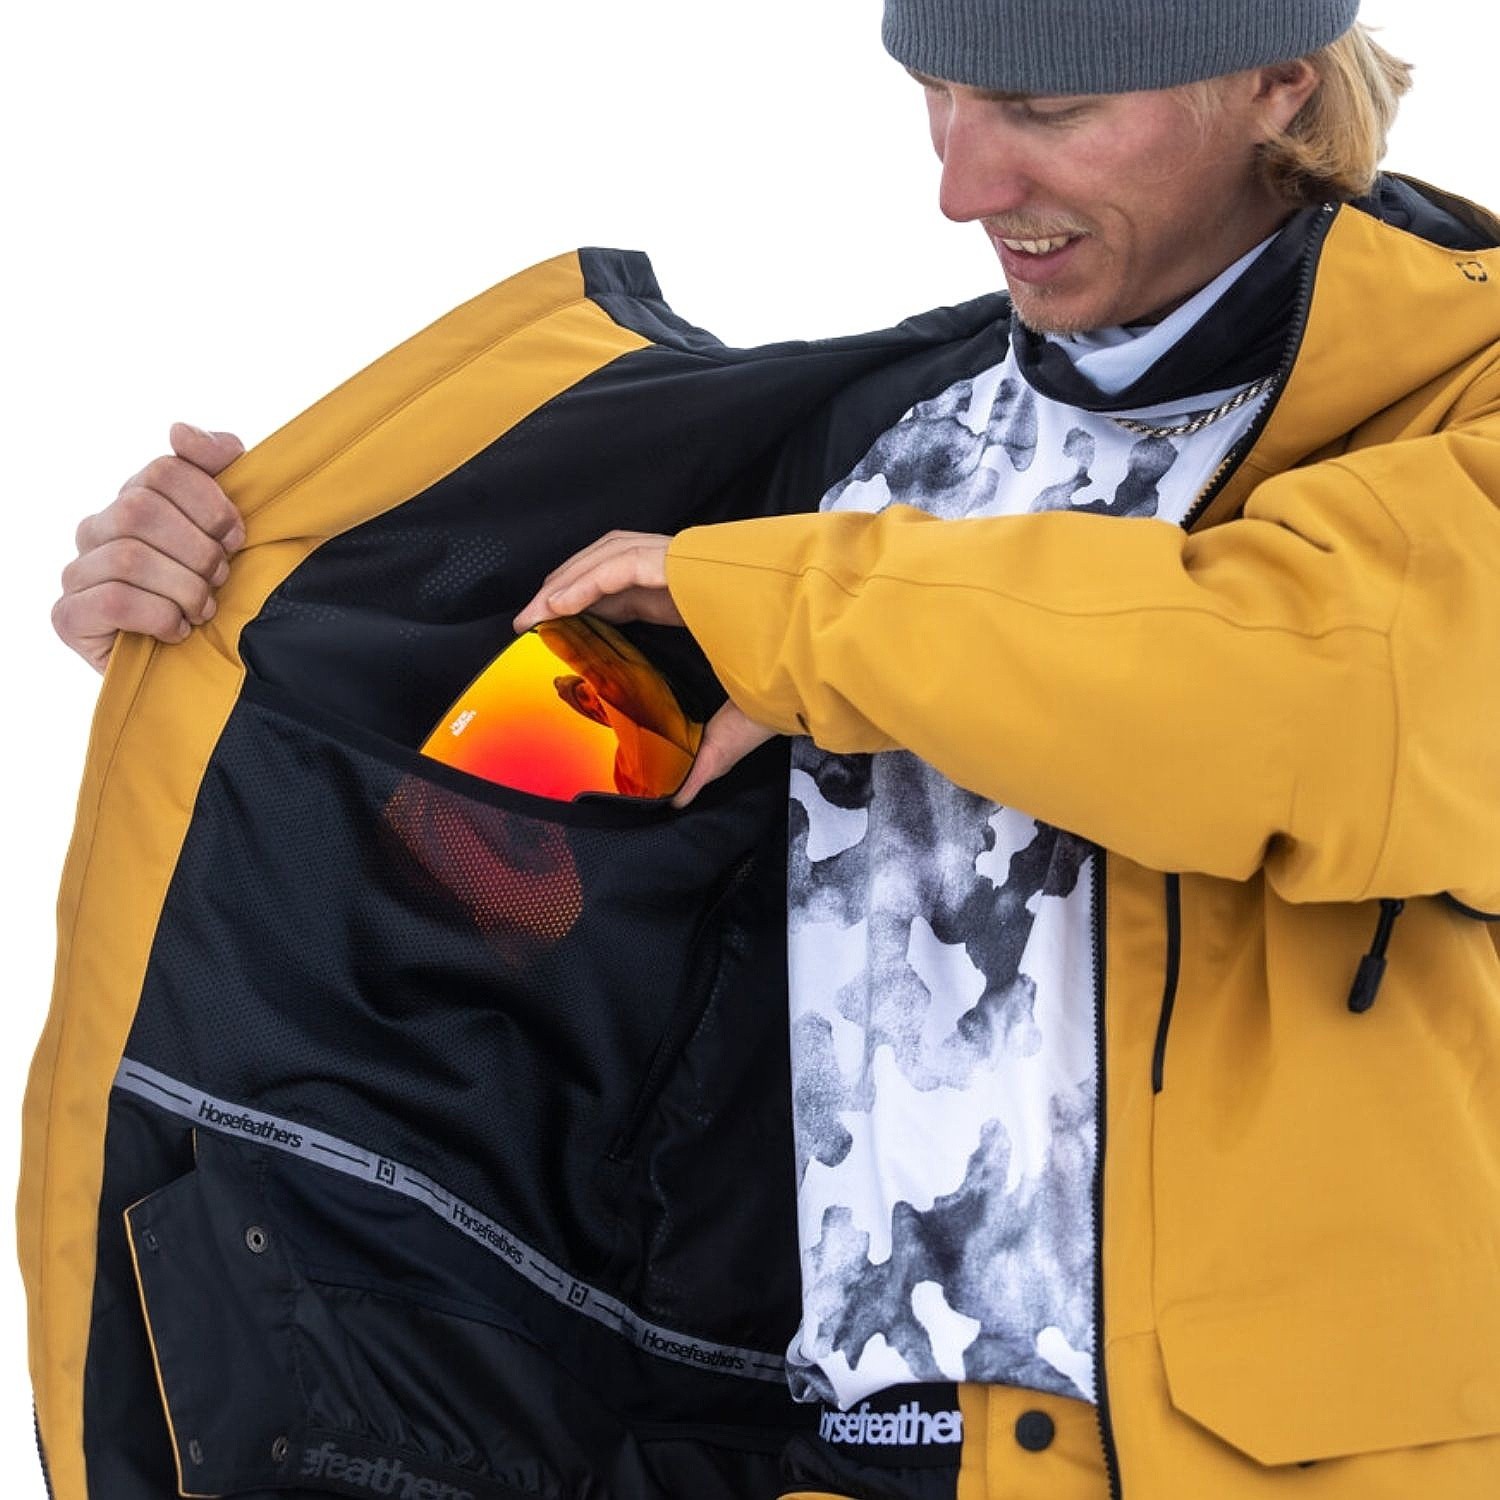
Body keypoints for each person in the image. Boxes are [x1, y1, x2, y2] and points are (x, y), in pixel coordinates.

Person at [51, 2, 1500, 1497]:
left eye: (1042, 109)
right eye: (937, 95)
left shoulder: (1460, 402)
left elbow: (1306, 694)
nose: (963, 186)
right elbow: (498, 926)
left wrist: (802, 613)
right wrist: (252, 644)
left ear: (1276, 81)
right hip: (844, 1456)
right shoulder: (854, 467)